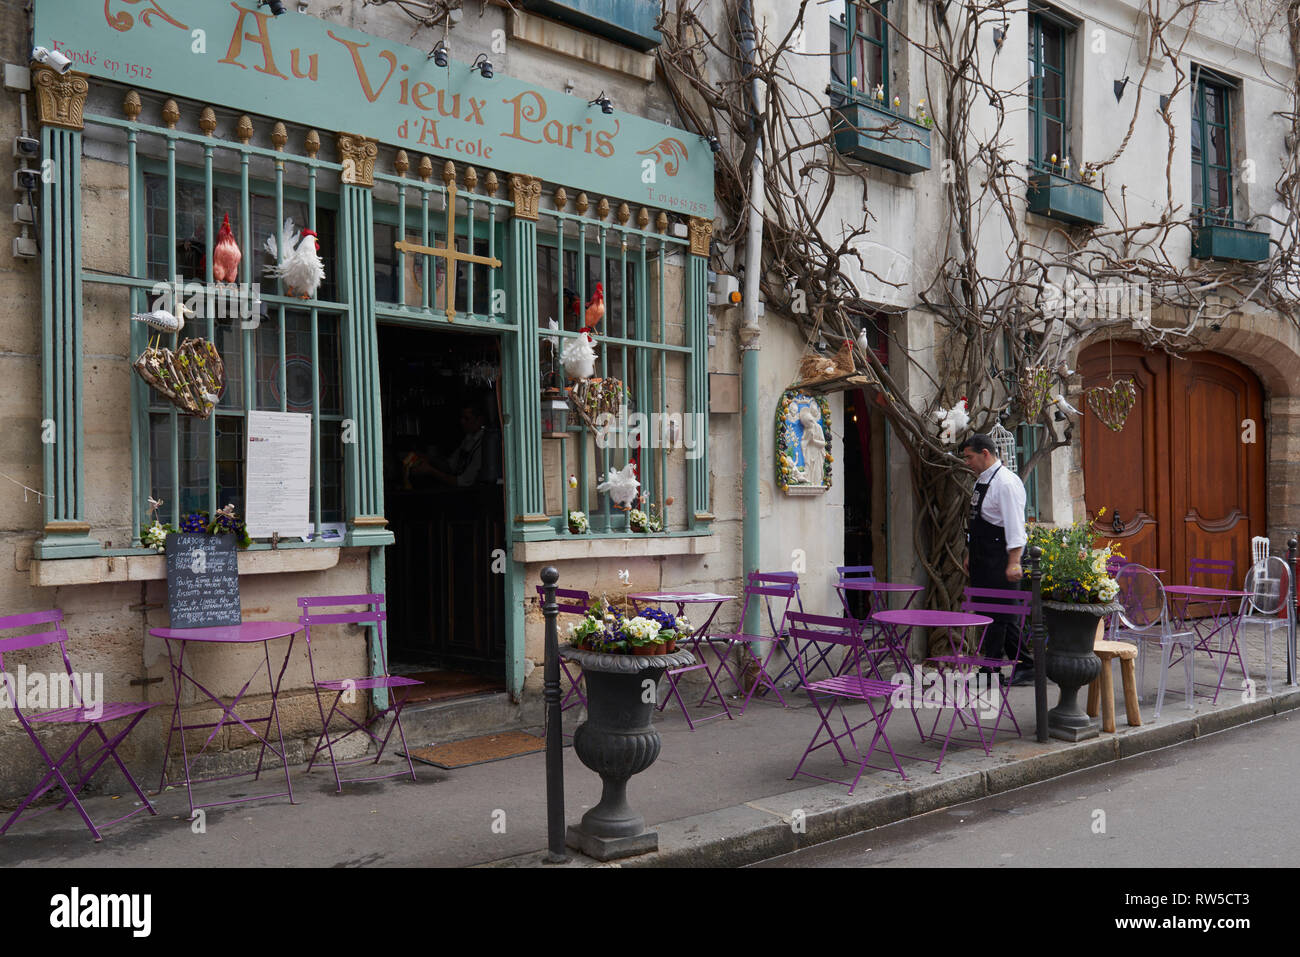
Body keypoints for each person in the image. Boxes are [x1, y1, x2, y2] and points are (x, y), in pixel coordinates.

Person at [959, 433, 1033, 685]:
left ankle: (989, 671)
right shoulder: (982, 481)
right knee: (999, 614)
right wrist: (971, 552)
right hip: (983, 556)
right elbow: (977, 523)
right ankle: (1027, 664)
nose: (967, 462)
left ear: (985, 454)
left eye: (970, 457)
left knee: (997, 615)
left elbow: (1015, 526)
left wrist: (1014, 561)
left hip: (1000, 557)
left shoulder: (1006, 483)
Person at [405, 403, 494, 487]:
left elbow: (462, 482)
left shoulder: (484, 445)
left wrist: (430, 471)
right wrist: (427, 458)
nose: (462, 422)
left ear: (480, 420)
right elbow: (450, 466)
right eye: (461, 418)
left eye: (467, 418)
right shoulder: (469, 438)